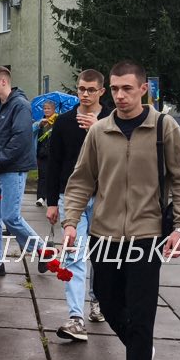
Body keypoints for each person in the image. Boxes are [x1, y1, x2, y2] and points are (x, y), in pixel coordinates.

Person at [61, 61, 180, 360]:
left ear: (142, 90)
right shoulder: (99, 131)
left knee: (141, 314)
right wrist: (71, 222)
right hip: (103, 235)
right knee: (107, 303)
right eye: (115, 89)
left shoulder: (164, 128)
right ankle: (141, 347)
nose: (120, 96)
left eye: (127, 89)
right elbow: (81, 180)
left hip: (147, 236)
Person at [43, 70, 109, 341]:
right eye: (81, 89)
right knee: (74, 255)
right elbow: (54, 163)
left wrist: (99, 128)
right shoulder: (64, 122)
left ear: (101, 92)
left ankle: (98, 300)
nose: (85, 94)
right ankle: (75, 318)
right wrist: (51, 201)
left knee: (102, 257)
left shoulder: (112, 120)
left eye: (91, 90)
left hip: (106, 198)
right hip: (71, 198)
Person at [0, 66, 42, 277]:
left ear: (4, 81)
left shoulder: (21, 106)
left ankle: (43, 250)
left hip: (13, 169)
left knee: (10, 217)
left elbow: (20, 140)